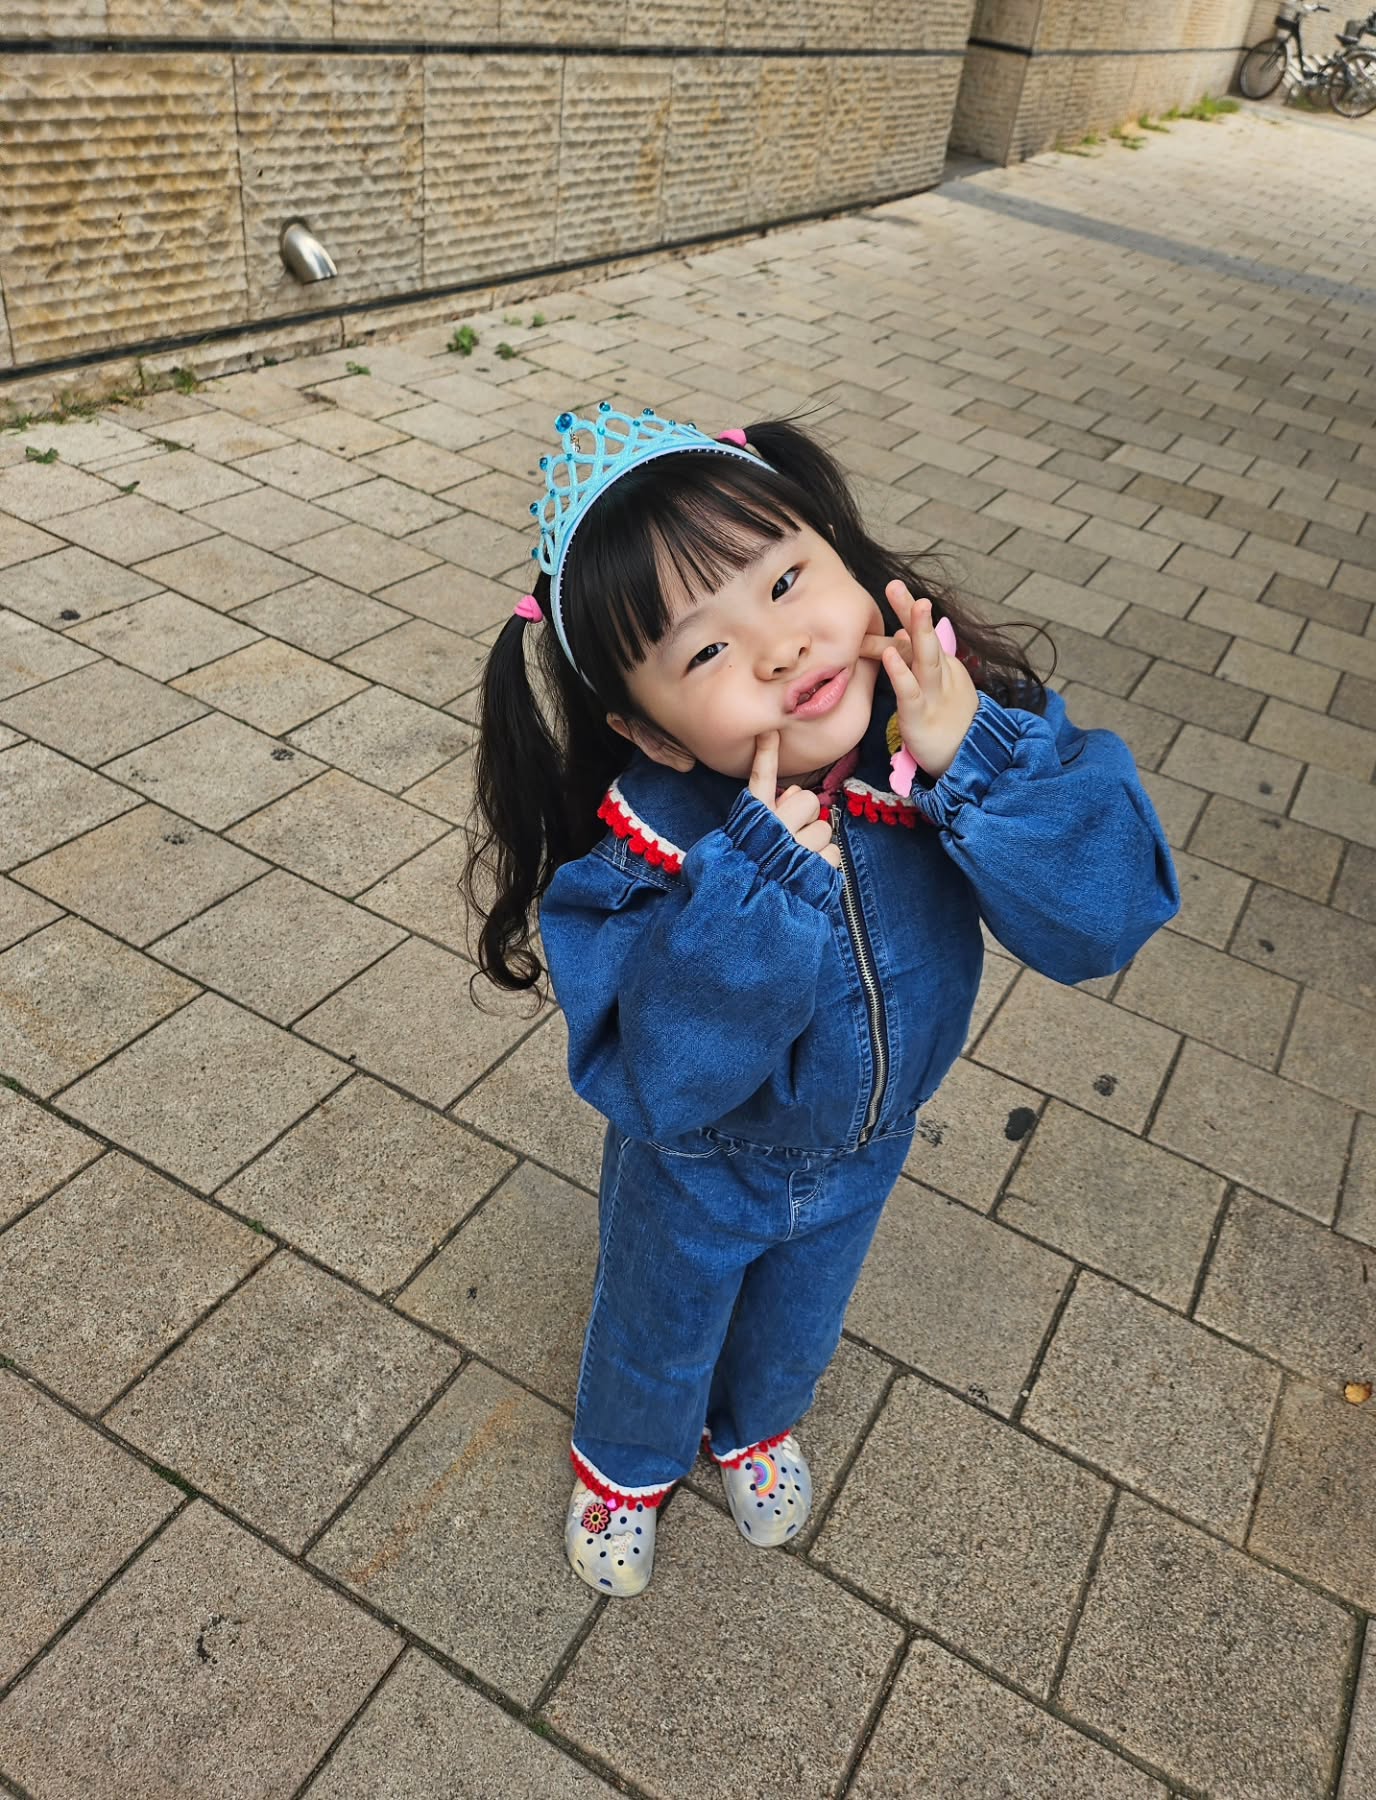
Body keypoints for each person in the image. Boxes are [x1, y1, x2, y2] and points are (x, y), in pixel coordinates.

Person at [465, 403, 1179, 1597]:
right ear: (650, 730)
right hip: (700, 1161)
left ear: (847, 553)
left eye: (790, 579)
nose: (783, 650)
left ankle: (754, 1425)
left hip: (869, 1144)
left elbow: (1102, 920)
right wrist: (756, 898)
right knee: (658, 1317)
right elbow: (655, 1078)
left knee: (802, 1309)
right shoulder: (650, 853)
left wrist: (980, 767)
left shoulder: (953, 743)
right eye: (702, 651)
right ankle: (625, 1463)